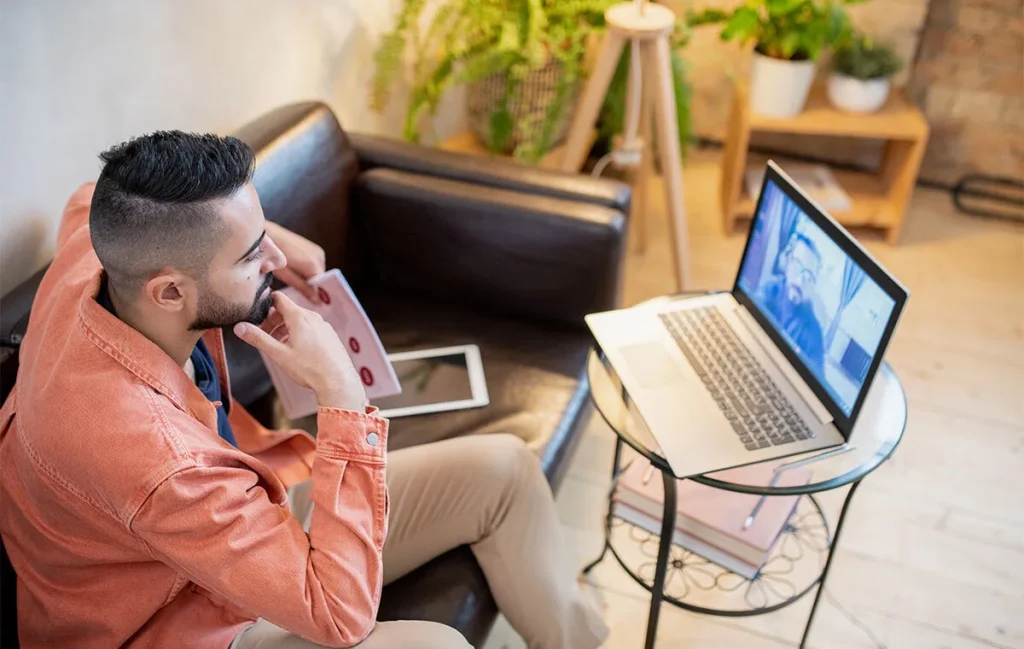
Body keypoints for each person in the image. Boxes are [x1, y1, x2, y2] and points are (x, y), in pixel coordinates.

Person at [0, 132, 608, 649]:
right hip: (174, 622)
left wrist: (273, 238)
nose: (269, 261)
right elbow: (338, 615)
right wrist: (340, 392)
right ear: (168, 291)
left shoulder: (97, 259)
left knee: (504, 467)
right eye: (248, 256)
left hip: (221, 533)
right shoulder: (159, 461)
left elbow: (87, 197)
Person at [758, 232, 826, 374]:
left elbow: (816, 379)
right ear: (788, 262)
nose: (801, 281)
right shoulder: (772, 290)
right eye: (797, 265)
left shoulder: (814, 333)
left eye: (808, 276)